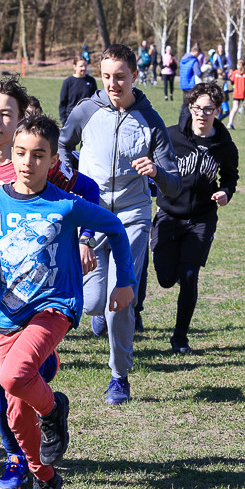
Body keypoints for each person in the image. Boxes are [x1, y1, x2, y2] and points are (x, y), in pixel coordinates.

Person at [0, 115, 135, 489]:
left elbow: (116, 229)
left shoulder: (65, 204)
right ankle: (44, 478)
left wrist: (125, 282)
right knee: (16, 412)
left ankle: (53, 410)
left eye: (38, 155)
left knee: (13, 377)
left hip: (55, 306)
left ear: (52, 161)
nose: (27, 162)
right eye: (20, 153)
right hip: (8, 314)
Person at [0, 76, 100, 489]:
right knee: (1, 384)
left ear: (20, 120)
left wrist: (84, 238)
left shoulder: (40, 162)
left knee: (24, 375)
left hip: (42, 292)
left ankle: (45, 402)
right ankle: (17, 457)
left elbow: (86, 193)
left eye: (5, 114)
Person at [59, 43, 181, 405]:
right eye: (107, 76)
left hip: (133, 218)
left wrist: (156, 171)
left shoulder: (151, 120)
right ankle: (99, 315)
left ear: (135, 76)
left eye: (121, 77)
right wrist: (71, 176)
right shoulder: (86, 110)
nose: (113, 84)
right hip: (91, 216)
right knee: (93, 303)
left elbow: (173, 183)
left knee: (120, 299)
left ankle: (119, 378)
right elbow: (62, 145)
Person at [152, 83, 238, 354]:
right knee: (166, 279)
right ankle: (176, 266)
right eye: (197, 108)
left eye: (208, 109)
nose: (202, 114)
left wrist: (226, 192)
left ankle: (180, 337)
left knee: (190, 276)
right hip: (169, 214)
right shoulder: (171, 136)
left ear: (218, 110)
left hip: (202, 219)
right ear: (190, 108)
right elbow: (153, 164)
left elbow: (230, 177)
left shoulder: (225, 145)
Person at [58, 55, 97, 124]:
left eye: (85, 66)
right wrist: (64, 120)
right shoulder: (68, 82)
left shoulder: (91, 81)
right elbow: (62, 103)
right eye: (81, 66)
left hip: (87, 119)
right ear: (74, 67)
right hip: (71, 119)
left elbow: (95, 100)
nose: (84, 68)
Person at [228, 58, 245, 130]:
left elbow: (231, 81)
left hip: (236, 93)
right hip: (244, 93)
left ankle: (230, 123)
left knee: (234, 108)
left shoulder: (235, 72)